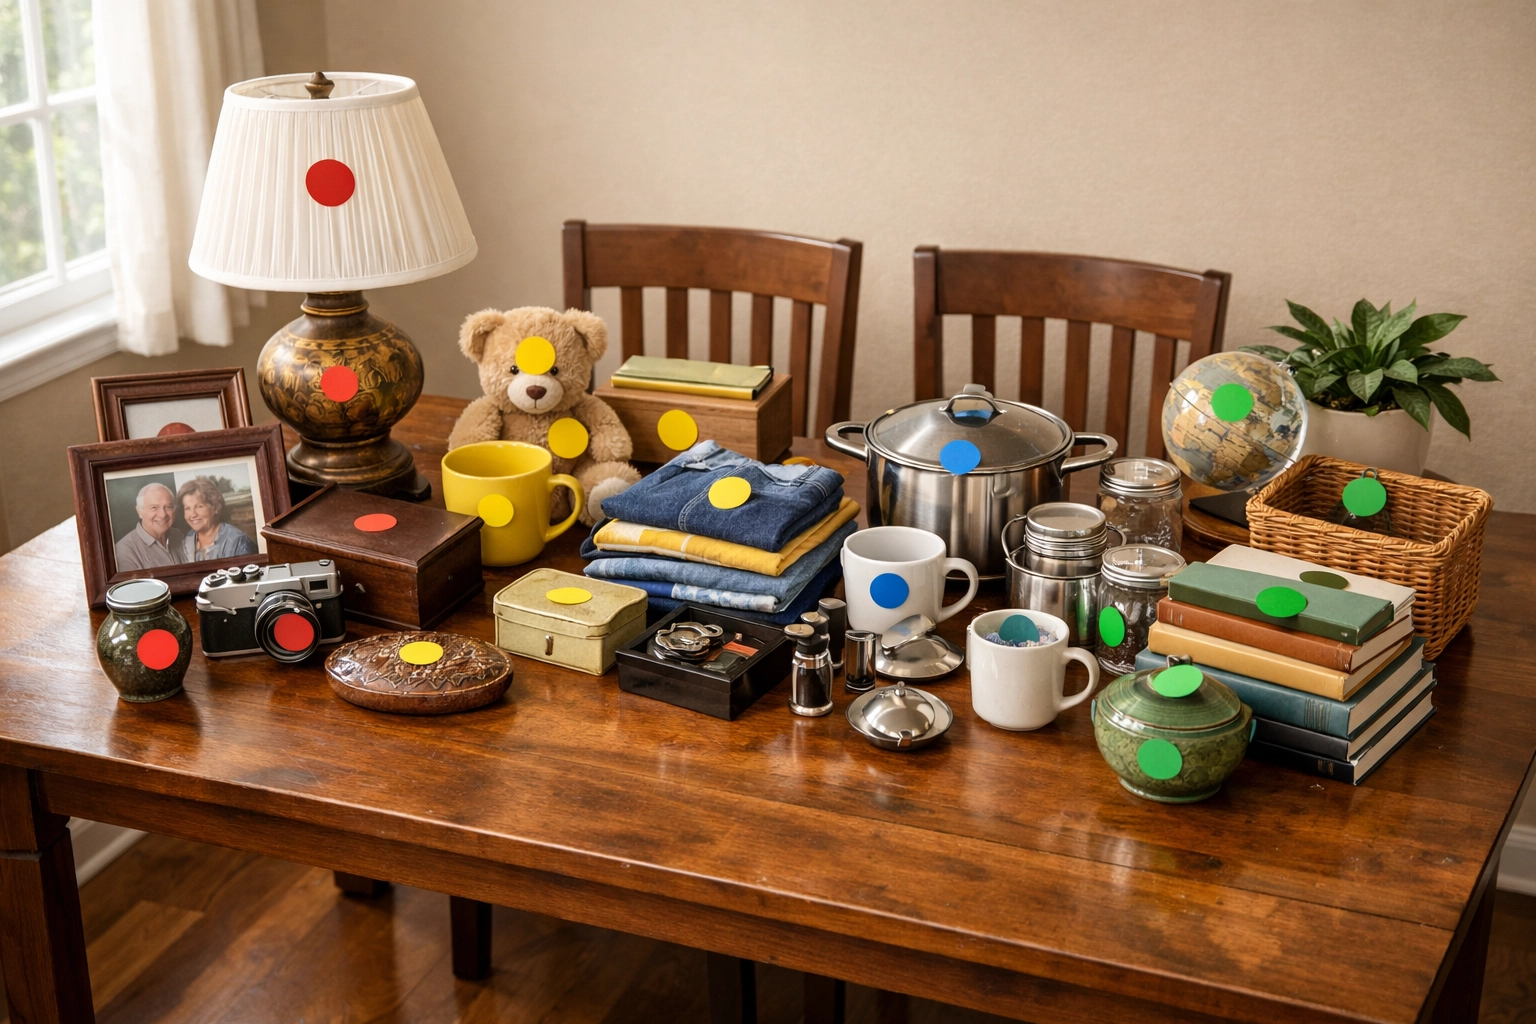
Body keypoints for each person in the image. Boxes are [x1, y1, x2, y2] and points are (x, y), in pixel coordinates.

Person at [177, 477, 257, 562]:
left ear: (215, 507)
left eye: (199, 506)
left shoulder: (238, 542)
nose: (193, 514)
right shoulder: (188, 539)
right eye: (187, 508)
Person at [114, 483, 185, 571]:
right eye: (154, 508)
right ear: (139, 511)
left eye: (168, 507)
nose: (163, 515)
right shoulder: (123, 551)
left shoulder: (179, 536)